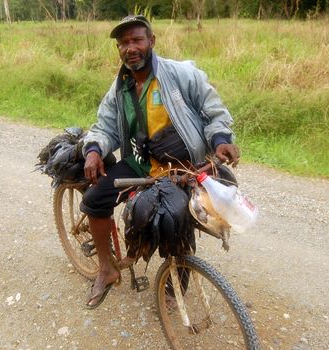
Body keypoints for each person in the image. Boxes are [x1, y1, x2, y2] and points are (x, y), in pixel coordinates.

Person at [80, 15, 240, 309]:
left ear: (151, 41)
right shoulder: (121, 88)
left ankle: (174, 286)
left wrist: (220, 140)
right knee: (93, 200)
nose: (130, 48)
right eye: (123, 43)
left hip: (182, 164)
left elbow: (213, 111)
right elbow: (104, 126)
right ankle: (107, 268)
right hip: (141, 162)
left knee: (177, 218)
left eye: (137, 40)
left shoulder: (181, 74)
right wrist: (93, 149)